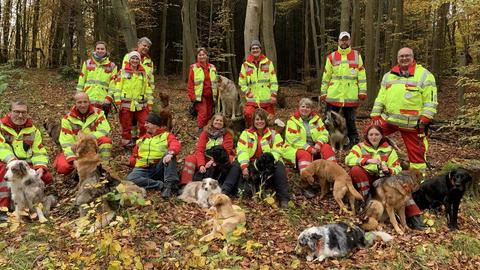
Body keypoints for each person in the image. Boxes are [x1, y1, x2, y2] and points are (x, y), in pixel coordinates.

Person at [371, 47, 437, 174]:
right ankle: (376, 166)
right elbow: (381, 97)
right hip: (389, 120)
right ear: (397, 58)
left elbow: (431, 101)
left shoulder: (425, 75)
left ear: (413, 57)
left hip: (413, 124)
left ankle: (418, 181)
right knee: (370, 135)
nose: (404, 58)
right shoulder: (388, 75)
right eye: (401, 56)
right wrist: (375, 115)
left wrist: (425, 119)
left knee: (417, 154)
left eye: (407, 56)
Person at [345, 125, 425, 230]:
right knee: (355, 170)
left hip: (383, 180)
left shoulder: (389, 150)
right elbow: (348, 160)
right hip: (365, 177)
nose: (374, 137)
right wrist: (367, 161)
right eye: (371, 134)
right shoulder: (360, 147)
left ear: (382, 136)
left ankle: (415, 219)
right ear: (367, 136)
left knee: (404, 193)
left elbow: (397, 168)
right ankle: (364, 201)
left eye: (377, 134)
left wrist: (388, 170)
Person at [222, 108, 290, 208]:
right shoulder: (246, 134)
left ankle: (284, 199)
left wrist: (270, 161)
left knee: (279, 165)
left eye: (262, 119)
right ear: (253, 121)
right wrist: (244, 166)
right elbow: (242, 150)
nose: (259, 122)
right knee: (236, 164)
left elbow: (277, 151)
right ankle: (224, 192)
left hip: (267, 163)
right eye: (257, 119)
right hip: (251, 163)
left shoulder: (274, 134)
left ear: (266, 121)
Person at [0, 102, 53, 222]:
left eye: (23, 112)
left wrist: (40, 167)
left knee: (46, 176)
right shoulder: (1, 127)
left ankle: (33, 206)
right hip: (6, 162)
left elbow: (39, 151)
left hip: (26, 165)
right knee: (4, 172)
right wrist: (13, 161)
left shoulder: (33, 130)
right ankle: (3, 208)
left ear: (28, 113)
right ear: (9, 112)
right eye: (17, 111)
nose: (20, 115)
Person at [320, 31, 367, 147]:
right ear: (339, 41)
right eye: (342, 40)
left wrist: (362, 91)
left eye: (346, 39)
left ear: (349, 41)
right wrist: (323, 92)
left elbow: (361, 75)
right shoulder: (332, 56)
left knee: (350, 121)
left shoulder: (357, 56)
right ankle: (325, 140)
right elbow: (326, 76)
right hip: (334, 94)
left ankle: (354, 141)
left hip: (350, 95)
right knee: (329, 120)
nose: (344, 42)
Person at [283, 98, 336, 198]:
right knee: (305, 154)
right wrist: (309, 148)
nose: (305, 109)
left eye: (308, 107)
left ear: (311, 109)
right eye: (303, 106)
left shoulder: (317, 120)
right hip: (295, 148)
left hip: (315, 146)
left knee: (327, 148)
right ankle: (306, 185)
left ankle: (333, 178)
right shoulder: (292, 121)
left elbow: (324, 134)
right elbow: (293, 139)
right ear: (299, 108)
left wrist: (319, 144)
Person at [54, 92, 112, 175]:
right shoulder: (67, 119)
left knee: (106, 141)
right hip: (76, 149)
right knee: (63, 167)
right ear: (75, 104)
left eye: (85, 102)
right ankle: (79, 172)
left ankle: (103, 169)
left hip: (93, 147)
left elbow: (104, 130)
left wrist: (85, 139)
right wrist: (73, 160)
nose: (83, 105)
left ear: (89, 102)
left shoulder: (99, 113)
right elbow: (66, 143)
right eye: (79, 102)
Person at [127, 111, 181, 198]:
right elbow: (134, 156)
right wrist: (129, 162)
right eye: (145, 123)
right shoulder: (141, 139)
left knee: (170, 154)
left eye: (147, 123)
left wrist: (170, 154)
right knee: (130, 179)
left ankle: (170, 185)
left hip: (159, 167)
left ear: (155, 124)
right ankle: (160, 185)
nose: (145, 125)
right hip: (142, 168)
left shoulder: (166, 135)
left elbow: (175, 144)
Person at [180, 113, 234, 185]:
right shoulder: (205, 133)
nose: (218, 122)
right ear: (212, 121)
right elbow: (200, 150)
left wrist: (213, 161)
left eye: (221, 121)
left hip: (220, 159)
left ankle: (225, 185)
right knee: (190, 158)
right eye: (216, 120)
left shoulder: (227, 134)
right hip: (205, 158)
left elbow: (226, 151)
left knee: (230, 159)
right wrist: (201, 165)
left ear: (224, 124)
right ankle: (185, 184)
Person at [115, 51, 153, 147]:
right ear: (129, 60)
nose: (135, 61)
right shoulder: (122, 72)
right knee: (126, 125)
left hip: (141, 105)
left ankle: (143, 143)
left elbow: (147, 89)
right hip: (126, 104)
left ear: (139, 60)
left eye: (137, 59)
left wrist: (150, 103)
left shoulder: (143, 73)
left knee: (145, 124)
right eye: (133, 58)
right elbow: (118, 87)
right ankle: (126, 144)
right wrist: (118, 101)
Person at [239, 40, 278, 126]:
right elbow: (242, 82)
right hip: (252, 100)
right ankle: (252, 131)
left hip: (266, 99)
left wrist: (273, 95)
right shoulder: (245, 65)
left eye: (257, 48)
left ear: (260, 49)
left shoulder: (268, 63)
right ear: (250, 50)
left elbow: (274, 81)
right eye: (253, 48)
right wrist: (248, 92)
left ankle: (265, 135)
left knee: (269, 119)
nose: (255, 50)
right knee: (248, 114)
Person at [76, 41, 117, 117]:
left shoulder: (112, 66)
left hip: (103, 101)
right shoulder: (87, 63)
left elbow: (113, 85)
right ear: (95, 50)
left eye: (102, 49)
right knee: (86, 124)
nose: (100, 50)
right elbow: (81, 80)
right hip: (87, 99)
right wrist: (79, 95)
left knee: (101, 125)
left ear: (106, 50)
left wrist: (109, 98)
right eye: (98, 48)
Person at [187, 47, 218, 132]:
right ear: (197, 56)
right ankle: (201, 130)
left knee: (209, 113)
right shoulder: (194, 68)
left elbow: (216, 82)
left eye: (203, 54)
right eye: (200, 55)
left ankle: (208, 130)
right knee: (203, 113)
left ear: (207, 56)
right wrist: (192, 97)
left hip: (211, 95)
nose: (202, 56)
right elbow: (190, 84)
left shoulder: (212, 67)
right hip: (200, 96)